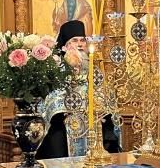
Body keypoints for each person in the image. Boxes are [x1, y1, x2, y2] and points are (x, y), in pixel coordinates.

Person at [36, 20, 121, 159]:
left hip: (93, 123)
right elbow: (52, 102)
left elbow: (104, 95)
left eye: (82, 40)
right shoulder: (56, 70)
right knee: (56, 137)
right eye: (75, 40)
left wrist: (102, 109)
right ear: (65, 45)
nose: (80, 44)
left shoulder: (93, 70)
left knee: (107, 129)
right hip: (63, 124)